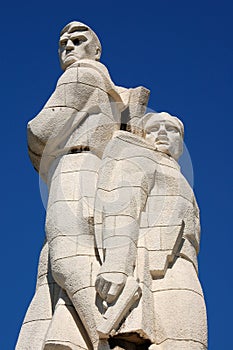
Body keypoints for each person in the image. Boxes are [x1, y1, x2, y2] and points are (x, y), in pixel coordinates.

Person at [16, 21, 148, 350]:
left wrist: (35, 144)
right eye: (63, 43)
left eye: (78, 40)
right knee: (53, 265)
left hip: (75, 165)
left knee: (64, 257)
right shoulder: (108, 91)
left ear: (96, 50)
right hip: (89, 168)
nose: (69, 47)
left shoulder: (81, 74)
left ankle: (114, 325)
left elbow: (43, 130)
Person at [94, 112, 207, 349]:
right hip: (156, 268)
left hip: (182, 263)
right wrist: (116, 265)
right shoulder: (140, 159)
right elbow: (123, 207)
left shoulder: (178, 175)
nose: (163, 133)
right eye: (155, 128)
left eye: (172, 129)